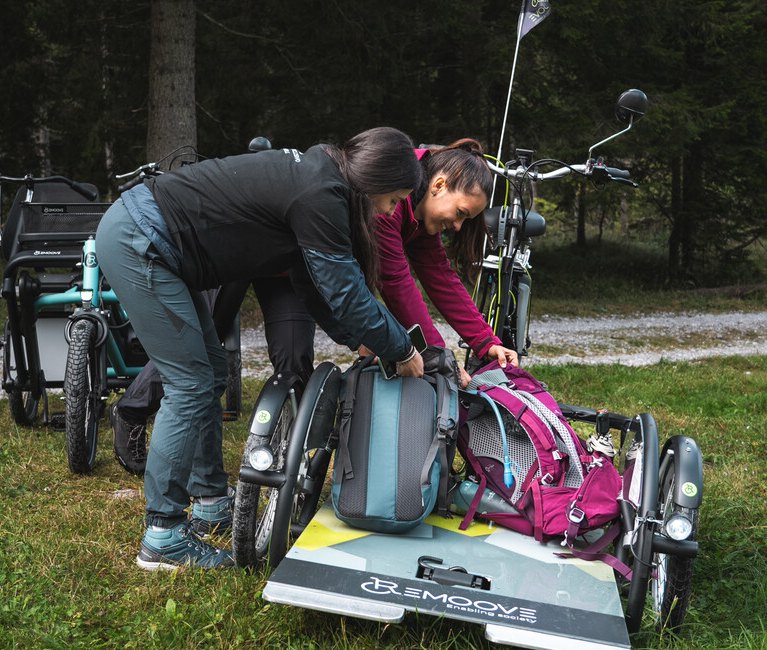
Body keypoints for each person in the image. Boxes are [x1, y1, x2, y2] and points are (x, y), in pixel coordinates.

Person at [95, 126, 424, 571]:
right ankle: (163, 535)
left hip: (151, 238)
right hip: (141, 240)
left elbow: (310, 283)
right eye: (396, 198)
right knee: (190, 384)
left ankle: (211, 500)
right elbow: (347, 295)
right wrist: (402, 349)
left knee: (211, 371)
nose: (393, 209)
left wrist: (357, 338)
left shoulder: (322, 179)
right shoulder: (321, 193)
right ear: (379, 180)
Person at [110, 274, 315, 538]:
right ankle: (135, 407)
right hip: (237, 254)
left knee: (294, 359)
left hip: (285, 265)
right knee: (198, 349)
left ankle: (284, 468)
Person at [372, 139, 519, 383]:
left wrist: (486, 341)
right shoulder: (390, 200)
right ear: (439, 185)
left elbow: (441, 277)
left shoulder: (421, 207)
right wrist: (441, 359)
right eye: (460, 213)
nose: (458, 227)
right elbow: (396, 284)